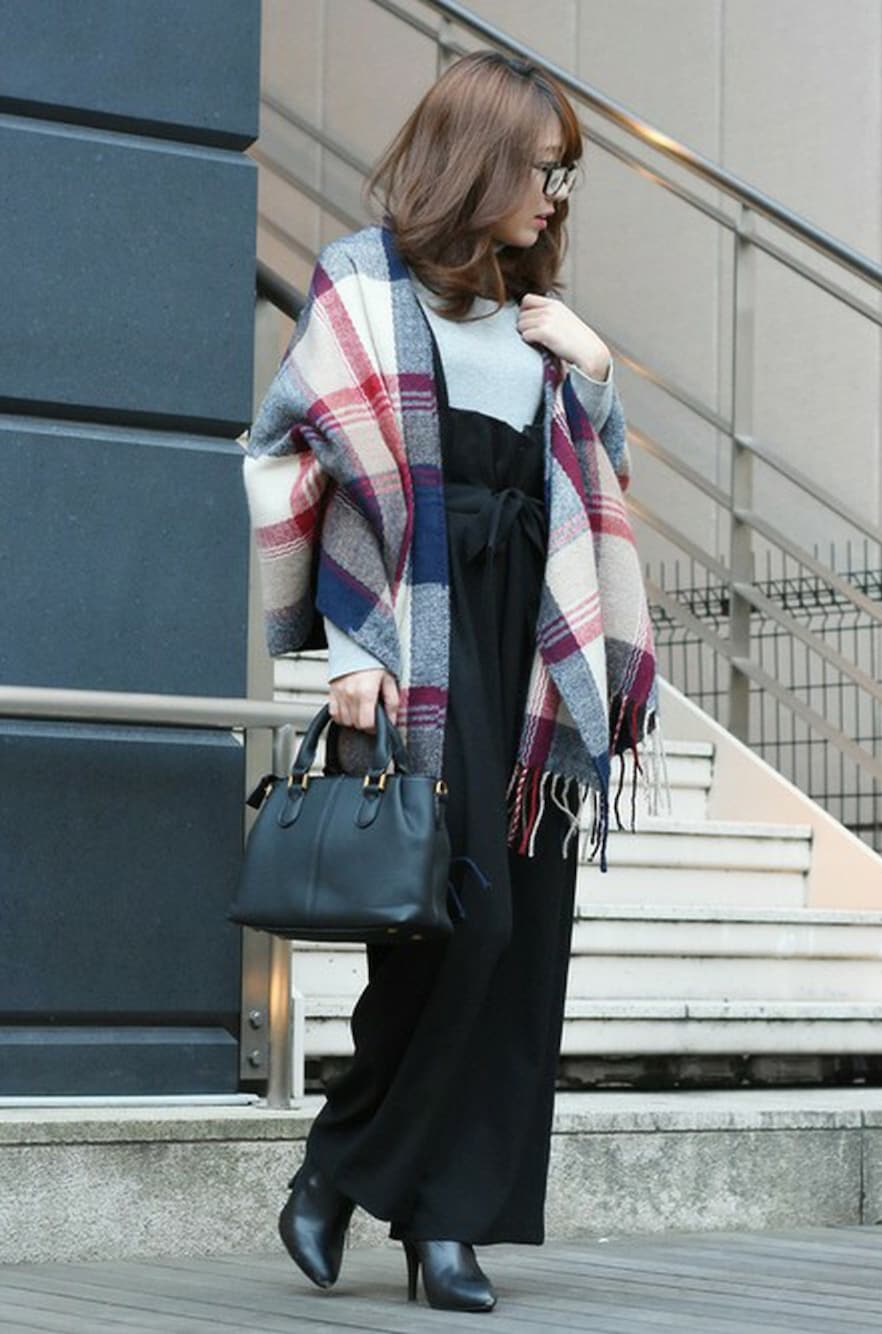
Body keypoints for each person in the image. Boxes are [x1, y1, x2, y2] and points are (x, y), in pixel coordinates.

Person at [242, 49, 663, 1315]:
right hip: (417, 642)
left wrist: (597, 372)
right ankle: (340, 1166)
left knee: (522, 941)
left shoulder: (541, 323)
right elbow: (285, 463)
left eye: (565, 176)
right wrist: (343, 650)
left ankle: (445, 1227)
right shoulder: (363, 290)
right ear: (475, 161)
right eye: (540, 169)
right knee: (459, 921)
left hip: (532, 645)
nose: (552, 196)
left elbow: (596, 485)